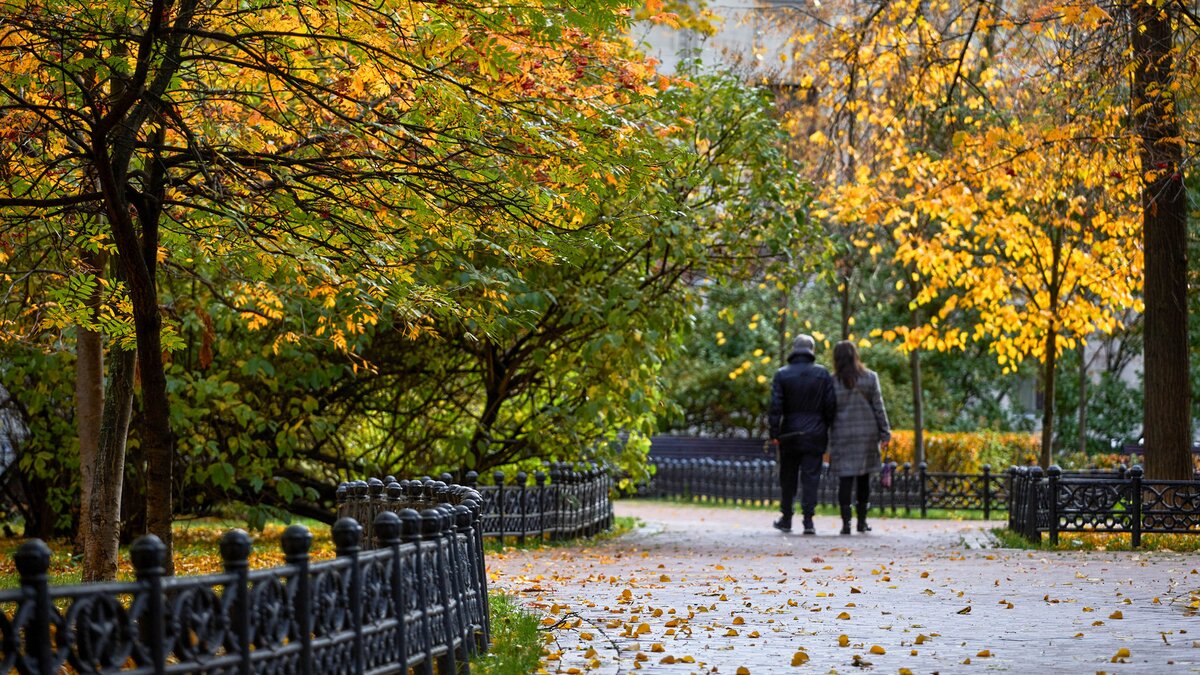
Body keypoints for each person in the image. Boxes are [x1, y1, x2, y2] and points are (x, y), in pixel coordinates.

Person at [768, 334, 836, 535]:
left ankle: (787, 518)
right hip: (815, 433)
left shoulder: (782, 374)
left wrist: (774, 432)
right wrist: (827, 425)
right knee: (811, 477)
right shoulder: (822, 374)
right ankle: (808, 520)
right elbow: (830, 405)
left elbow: (775, 406)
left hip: (789, 433)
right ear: (812, 350)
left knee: (788, 477)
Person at [828, 340, 891, 535]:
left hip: (842, 434)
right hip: (867, 434)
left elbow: (828, 411)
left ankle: (846, 523)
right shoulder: (870, 378)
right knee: (864, 479)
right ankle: (862, 522)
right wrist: (885, 432)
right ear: (856, 356)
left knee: (845, 480)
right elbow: (878, 407)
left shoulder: (831, 381)